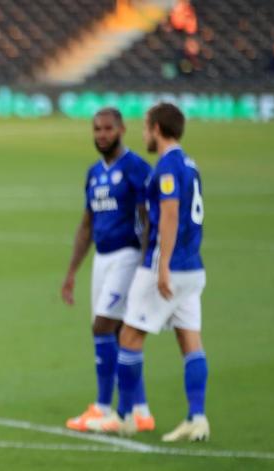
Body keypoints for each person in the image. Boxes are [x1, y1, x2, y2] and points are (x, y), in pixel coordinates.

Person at [88, 103, 209, 442]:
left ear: (157, 128)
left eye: (145, 128)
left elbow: (169, 215)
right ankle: (197, 417)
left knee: (127, 337)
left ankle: (125, 415)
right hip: (193, 267)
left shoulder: (168, 166)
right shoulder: (190, 163)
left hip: (167, 265)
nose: (144, 135)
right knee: (190, 340)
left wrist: (163, 265)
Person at [62, 108, 154, 434]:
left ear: (121, 129)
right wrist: (72, 270)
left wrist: (148, 264)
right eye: (97, 129)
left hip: (128, 256)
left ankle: (102, 407)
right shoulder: (94, 173)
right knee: (117, 333)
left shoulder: (137, 169)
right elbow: (87, 224)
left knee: (103, 327)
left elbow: (147, 220)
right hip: (102, 258)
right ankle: (140, 409)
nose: (102, 135)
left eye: (107, 129)